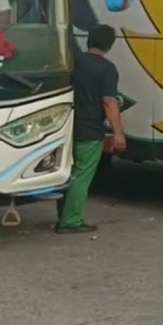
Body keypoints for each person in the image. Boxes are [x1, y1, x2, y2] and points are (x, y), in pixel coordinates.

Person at [55, 25, 126, 234]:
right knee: (82, 176)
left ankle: (63, 215)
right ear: (110, 45)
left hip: (67, 126)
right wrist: (118, 133)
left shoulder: (74, 62)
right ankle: (71, 221)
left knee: (68, 174)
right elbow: (109, 102)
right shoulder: (107, 69)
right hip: (90, 130)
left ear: (88, 39)